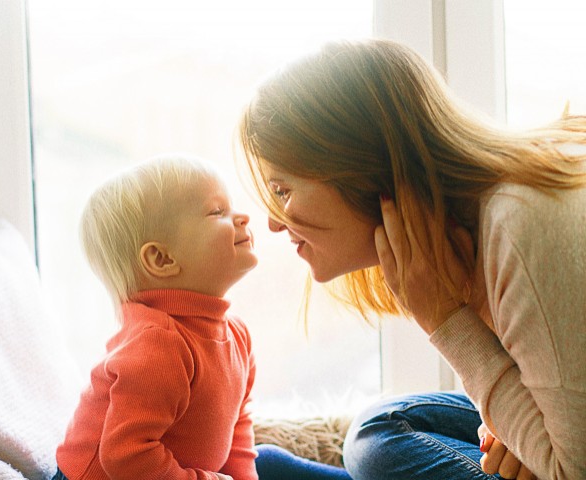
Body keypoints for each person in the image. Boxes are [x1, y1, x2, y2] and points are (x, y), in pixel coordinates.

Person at [236, 38, 586, 480]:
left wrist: (447, 320)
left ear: (357, 165)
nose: (272, 222)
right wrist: (512, 429)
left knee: (368, 451)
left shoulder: (519, 226)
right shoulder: (479, 231)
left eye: (282, 191)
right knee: (380, 430)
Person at [53, 154, 259, 480]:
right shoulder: (159, 344)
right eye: (218, 212)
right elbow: (127, 456)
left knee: (272, 458)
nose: (242, 216)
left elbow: (237, 424)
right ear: (161, 259)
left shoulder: (237, 336)